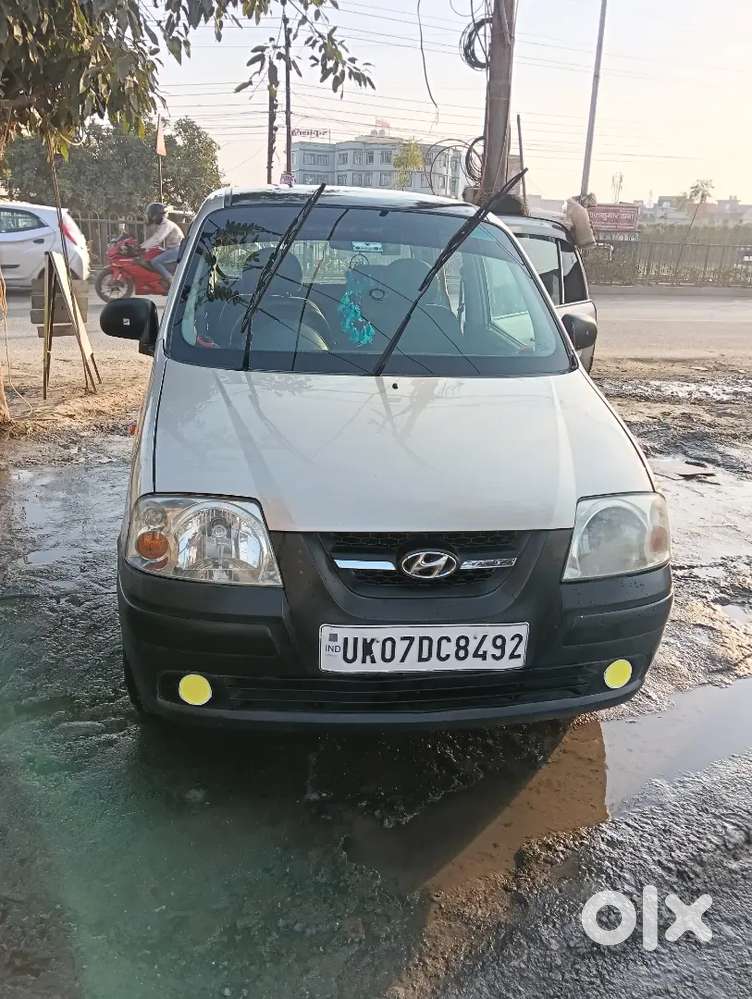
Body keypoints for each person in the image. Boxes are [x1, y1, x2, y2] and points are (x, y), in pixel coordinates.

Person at [141, 202, 183, 286]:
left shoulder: (167, 224)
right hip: (172, 248)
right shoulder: (163, 224)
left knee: (155, 262)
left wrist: (142, 247)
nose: (152, 218)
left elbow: (157, 238)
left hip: (177, 249)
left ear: (157, 215)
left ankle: (171, 281)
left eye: (152, 215)